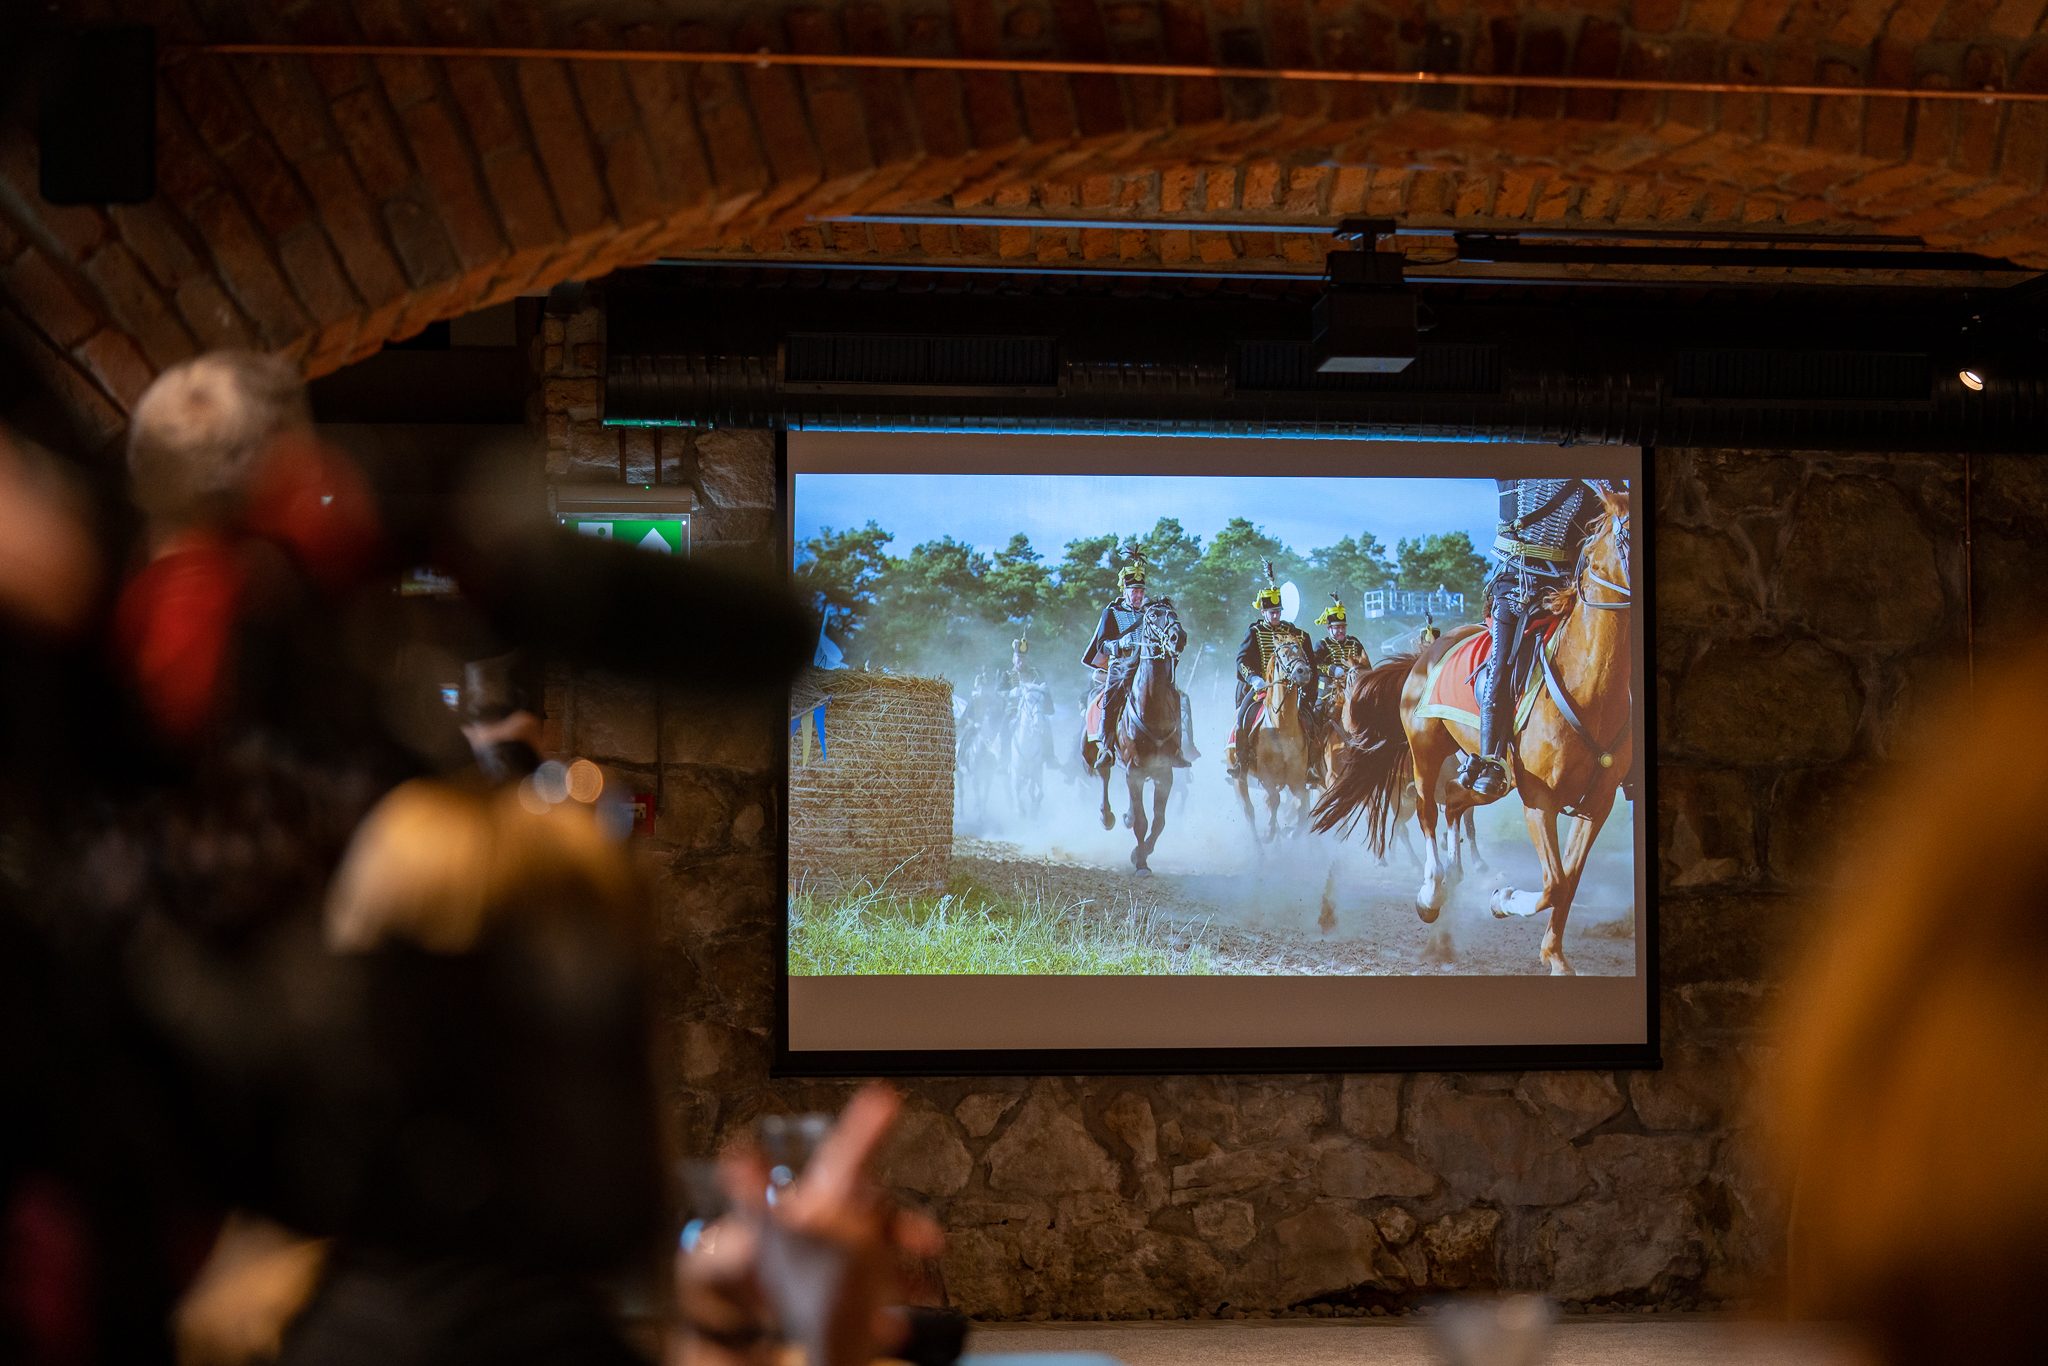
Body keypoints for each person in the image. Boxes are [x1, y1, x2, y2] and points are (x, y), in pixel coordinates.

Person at [1458, 478, 1610, 797]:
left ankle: (1625, 756)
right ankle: (1491, 760)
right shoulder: (1516, 473)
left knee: (1606, 652)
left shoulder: (1587, 485)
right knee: (1501, 664)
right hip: (1516, 585)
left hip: (1564, 590)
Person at [1080, 556, 1191, 770]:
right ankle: (1106, 747)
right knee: (1111, 696)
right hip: (1121, 667)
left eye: (1141, 590)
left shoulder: (1151, 612)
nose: (1139, 595)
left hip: (1149, 669)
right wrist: (1119, 643)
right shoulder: (1111, 612)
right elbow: (1102, 644)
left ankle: (1176, 748)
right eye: (1134, 590)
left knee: (1175, 696)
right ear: (1125, 590)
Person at [1225, 567, 1313, 782]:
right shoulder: (1255, 632)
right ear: (1263, 612)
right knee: (1243, 716)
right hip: (1260, 689)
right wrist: (1254, 678)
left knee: (1312, 720)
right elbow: (1242, 660)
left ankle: (1310, 765)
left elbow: (1308, 661)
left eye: (1278, 611)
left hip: (1292, 687)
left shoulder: (1295, 633)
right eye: (1271, 612)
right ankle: (1242, 761)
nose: (1275, 615)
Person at [1310, 597, 1368, 782]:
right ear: (1329, 629)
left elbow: (1366, 665)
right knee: (1314, 719)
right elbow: (1316, 665)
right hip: (1328, 693)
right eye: (1337, 627)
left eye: (1343, 626)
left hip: (1354, 693)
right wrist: (1333, 669)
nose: (1341, 630)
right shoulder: (1322, 645)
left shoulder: (1355, 643)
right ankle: (1312, 763)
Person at [999, 634, 1055, 768]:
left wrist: (1044, 690)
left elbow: (1044, 689)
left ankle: (1050, 758)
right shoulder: (1007, 675)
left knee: (1046, 726)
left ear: (1027, 659)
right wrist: (1012, 692)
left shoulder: (1035, 674)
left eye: (1023, 659)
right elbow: (999, 690)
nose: (1021, 662)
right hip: (1013, 711)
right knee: (1003, 730)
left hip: (1033, 710)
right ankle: (1003, 760)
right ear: (1013, 659)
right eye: (1018, 658)